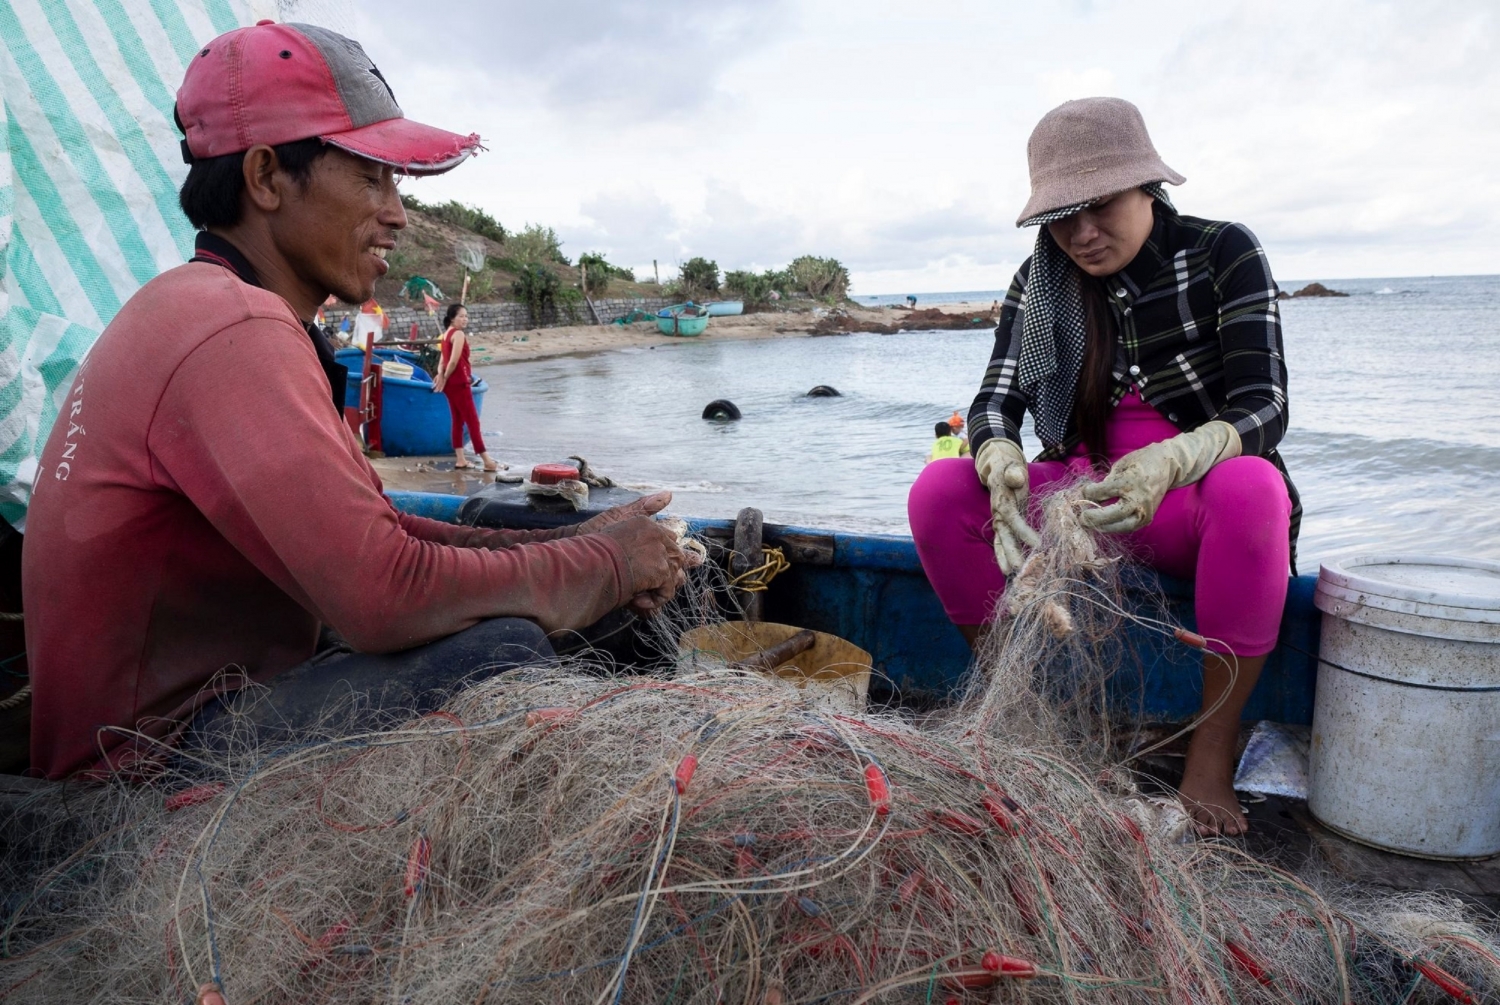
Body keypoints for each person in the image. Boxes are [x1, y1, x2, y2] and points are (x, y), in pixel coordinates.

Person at [22, 21, 691, 780]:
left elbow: (382, 533)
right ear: (268, 178)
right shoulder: (230, 326)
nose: (399, 212)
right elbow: (383, 592)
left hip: (209, 716)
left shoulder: (212, 306)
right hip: (141, 780)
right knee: (507, 649)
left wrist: (581, 544)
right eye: (372, 176)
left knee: (517, 545)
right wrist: (599, 568)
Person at [908, 98, 1296, 836]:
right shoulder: (1041, 279)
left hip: (1185, 500)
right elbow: (995, 398)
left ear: (1146, 185)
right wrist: (997, 454)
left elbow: (1265, 406)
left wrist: (1178, 456)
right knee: (938, 491)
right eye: (1061, 215)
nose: (1081, 233)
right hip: (1078, 506)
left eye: (1101, 205)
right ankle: (1026, 721)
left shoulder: (1223, 252)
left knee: (1255, 486)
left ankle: (1209, 760)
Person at [433, 303, 497, 471]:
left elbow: (442, 361)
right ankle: (487, 461)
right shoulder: (458, 334)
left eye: (466, 316)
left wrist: (441, 375)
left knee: (457, 420)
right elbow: (452, 361)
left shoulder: (446, 334)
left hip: (451, 384)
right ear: (452, 318)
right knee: (472, 421)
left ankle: (460, 459)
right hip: (459, 382)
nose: (465, 319)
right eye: (461, 316)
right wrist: (445, 377)